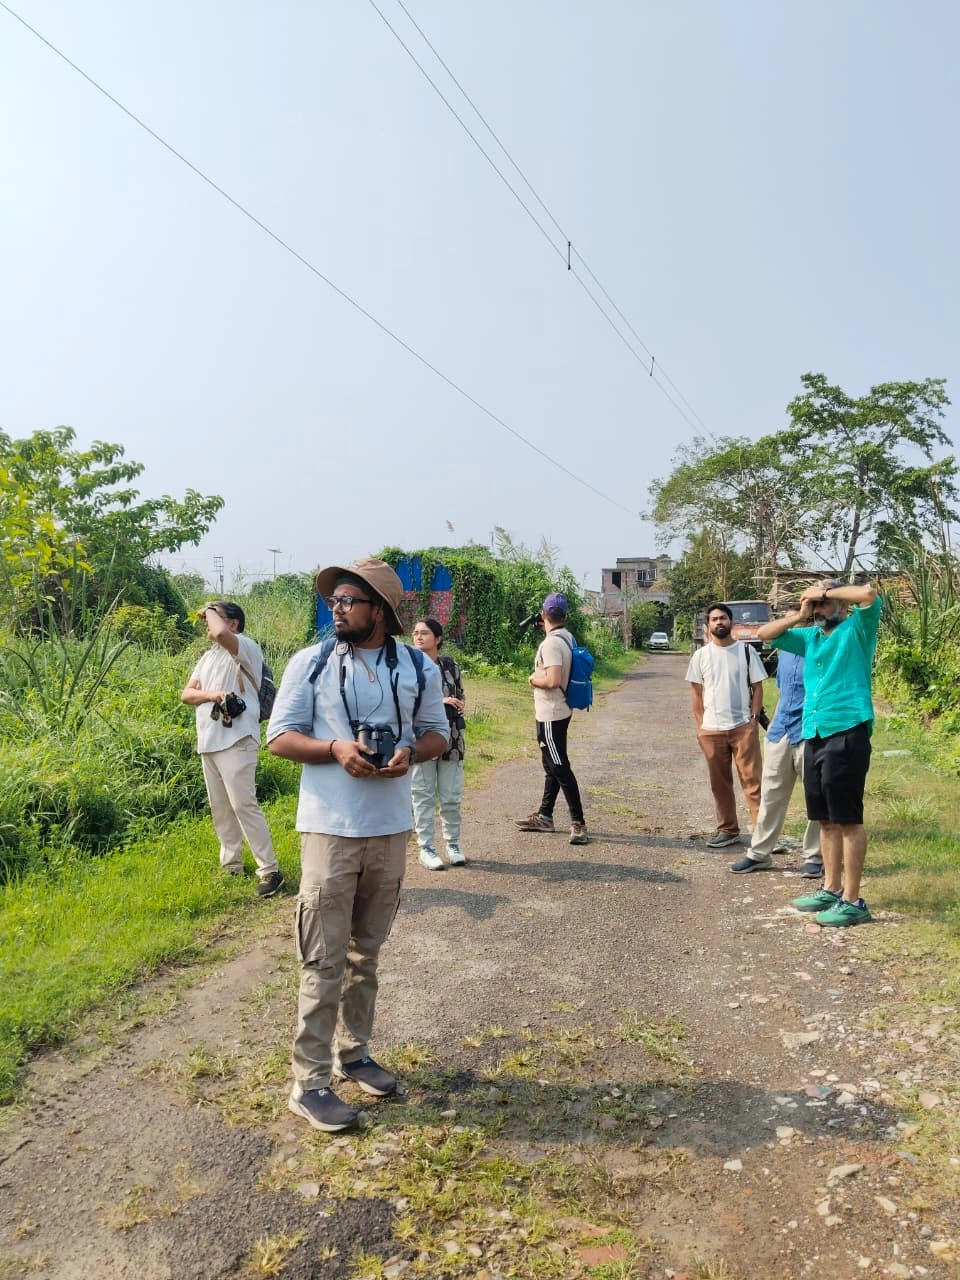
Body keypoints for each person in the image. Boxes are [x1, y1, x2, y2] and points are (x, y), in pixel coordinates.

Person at [267, 558, 449, 1132]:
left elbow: (439, 733)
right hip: (329, 827)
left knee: (365, 955)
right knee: (323, 958)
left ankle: (355, 1053)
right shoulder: (311, 662)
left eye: (349, 601)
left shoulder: (416, 666)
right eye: (335, 600)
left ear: (380, 610)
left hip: (390, 827)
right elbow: (279, 738)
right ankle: (309, 1083)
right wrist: (335, 750)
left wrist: (410, 753)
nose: (337, 609)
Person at [758, 578, 880, 927]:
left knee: (847, 819)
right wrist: (800, 613)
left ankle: (853, 900)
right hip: (812, 733)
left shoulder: (857, 630)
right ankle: (831, 887)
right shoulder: (809, 637)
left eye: (824, 602)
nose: (819, 608)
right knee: (824, 818)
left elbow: (868, 594)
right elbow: (766, 634)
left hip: (847, 729)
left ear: (842, 604)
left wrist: (824, 592)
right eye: (816, 603)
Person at [181, 601, 284, 898]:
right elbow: (186, 694)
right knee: (221, 808)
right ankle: (232, 865)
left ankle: (270, 870)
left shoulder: (246, 647)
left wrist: (209, 608)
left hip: (238, 738)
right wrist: (212, 694)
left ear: (234, 624)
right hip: (210, 740)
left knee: (243, 805)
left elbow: (219, 633)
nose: (207, 622)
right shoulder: (208, 657)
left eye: (214, 617)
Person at [729, 628, 822, 875]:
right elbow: (784, 691)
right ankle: (759, 853)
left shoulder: (822, 647)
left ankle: (815, 856)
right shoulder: (786, 651)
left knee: (816, 797)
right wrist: (773, 725)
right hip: (781, 730)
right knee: (770, 795)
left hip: (811, 731)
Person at [685, 602, 765, 848]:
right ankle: (728, 830)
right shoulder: (700, 656)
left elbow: (757, 687)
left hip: (742, 727)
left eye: (723, 618)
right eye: (714, 619)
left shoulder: (746, 651)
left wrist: (753, 720)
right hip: (712, 730)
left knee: (753, 782)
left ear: (731, 622)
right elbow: (696, 694)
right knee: (720, 785)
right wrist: (702, 727)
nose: (719, 622)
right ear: (708, 625)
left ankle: (763, 834)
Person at [514, 592, 588, 846]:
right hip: (561, 709)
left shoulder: (550, 645)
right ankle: (545, 816)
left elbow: (553, 680)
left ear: (544, 614)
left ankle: (578, 823)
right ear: (565, 615)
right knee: (552, 766)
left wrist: (532, 679)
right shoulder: (566, 637)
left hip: (551, 713)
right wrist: (547, 628)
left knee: (559, 767)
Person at [410, 617, 467, 870]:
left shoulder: (450, 665)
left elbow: (460, 694)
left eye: (424, 633)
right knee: (423, 796)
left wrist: (459, 705)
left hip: (451, 738)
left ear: (438, 638)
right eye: (415, 633)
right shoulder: (409, 666)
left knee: (451, 796)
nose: (418, 637)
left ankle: (452, 844)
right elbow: (405, 701)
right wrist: (441, 702)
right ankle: (426, 848)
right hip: (420, 739)